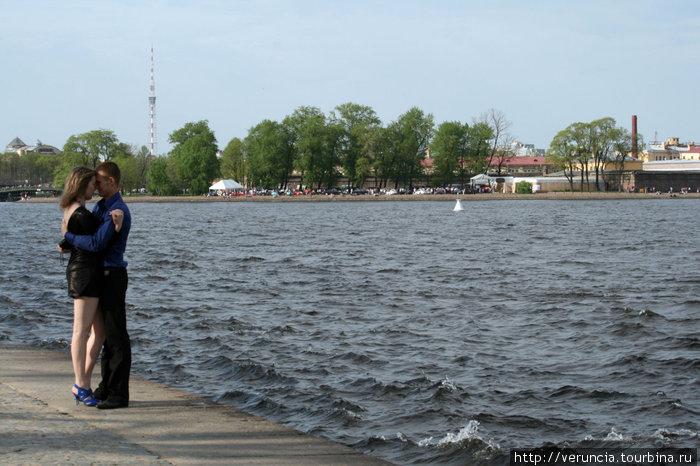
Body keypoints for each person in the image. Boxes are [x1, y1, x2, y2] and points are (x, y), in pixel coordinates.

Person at [63, 161, 132, 410]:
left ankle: (118, 394)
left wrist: (68, 238)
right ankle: (104, 386)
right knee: (102, 334)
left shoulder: (118, 210)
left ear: (111, 181)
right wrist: (68, 240)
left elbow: (97, 243)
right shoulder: (101, 207)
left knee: (115, 336)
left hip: (112, 275)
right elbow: (87, 235)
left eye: (100, 181)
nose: (97, 184)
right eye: (94, 182)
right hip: (97, 275)